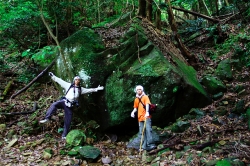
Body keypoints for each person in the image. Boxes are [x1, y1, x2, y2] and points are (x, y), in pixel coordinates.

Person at [40, 72, 104, 139]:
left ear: (79, 81)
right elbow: (60, 81)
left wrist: (97, 89)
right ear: (74, 80)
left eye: (78, 80)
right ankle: (47, 118)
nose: (77, 81)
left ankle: (64, 135)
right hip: (64, 101)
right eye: (76, 79)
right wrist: (53, 76)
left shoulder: (80, 89)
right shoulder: (68, 85)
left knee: (68, 120)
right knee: (54, 104)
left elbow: (89, 90)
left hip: (70, 105)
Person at [130, 85, 156, 151]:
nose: (139, 90)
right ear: (136, 91)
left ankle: (151, 144)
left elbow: (147, 104)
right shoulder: (136, 99)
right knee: (142, 132)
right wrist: (133, 112)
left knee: (148, 130)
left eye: (140, 89)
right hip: (140, 117)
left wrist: (147, 112)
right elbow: (135, 107)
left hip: (146, 116)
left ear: (142, 90)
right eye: (138, 89)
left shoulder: (145, 97)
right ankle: (144, 146)